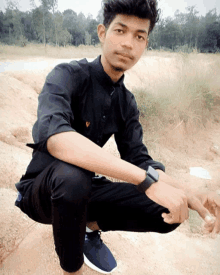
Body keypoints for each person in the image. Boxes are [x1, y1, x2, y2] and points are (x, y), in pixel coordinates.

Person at [15, 0, 220, 274]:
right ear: (102, 32)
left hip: (86, 190)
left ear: (146, 44)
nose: (128, 44)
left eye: (139, 36)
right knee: (72, 177)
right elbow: (57, 138)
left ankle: (88, 227)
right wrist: (144, 181)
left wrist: (188, 192)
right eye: (120, 31)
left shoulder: (126, 102)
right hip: (42, 193)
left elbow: (140, 160)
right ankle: (71, 268)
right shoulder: (66, 75)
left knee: (168, 208)